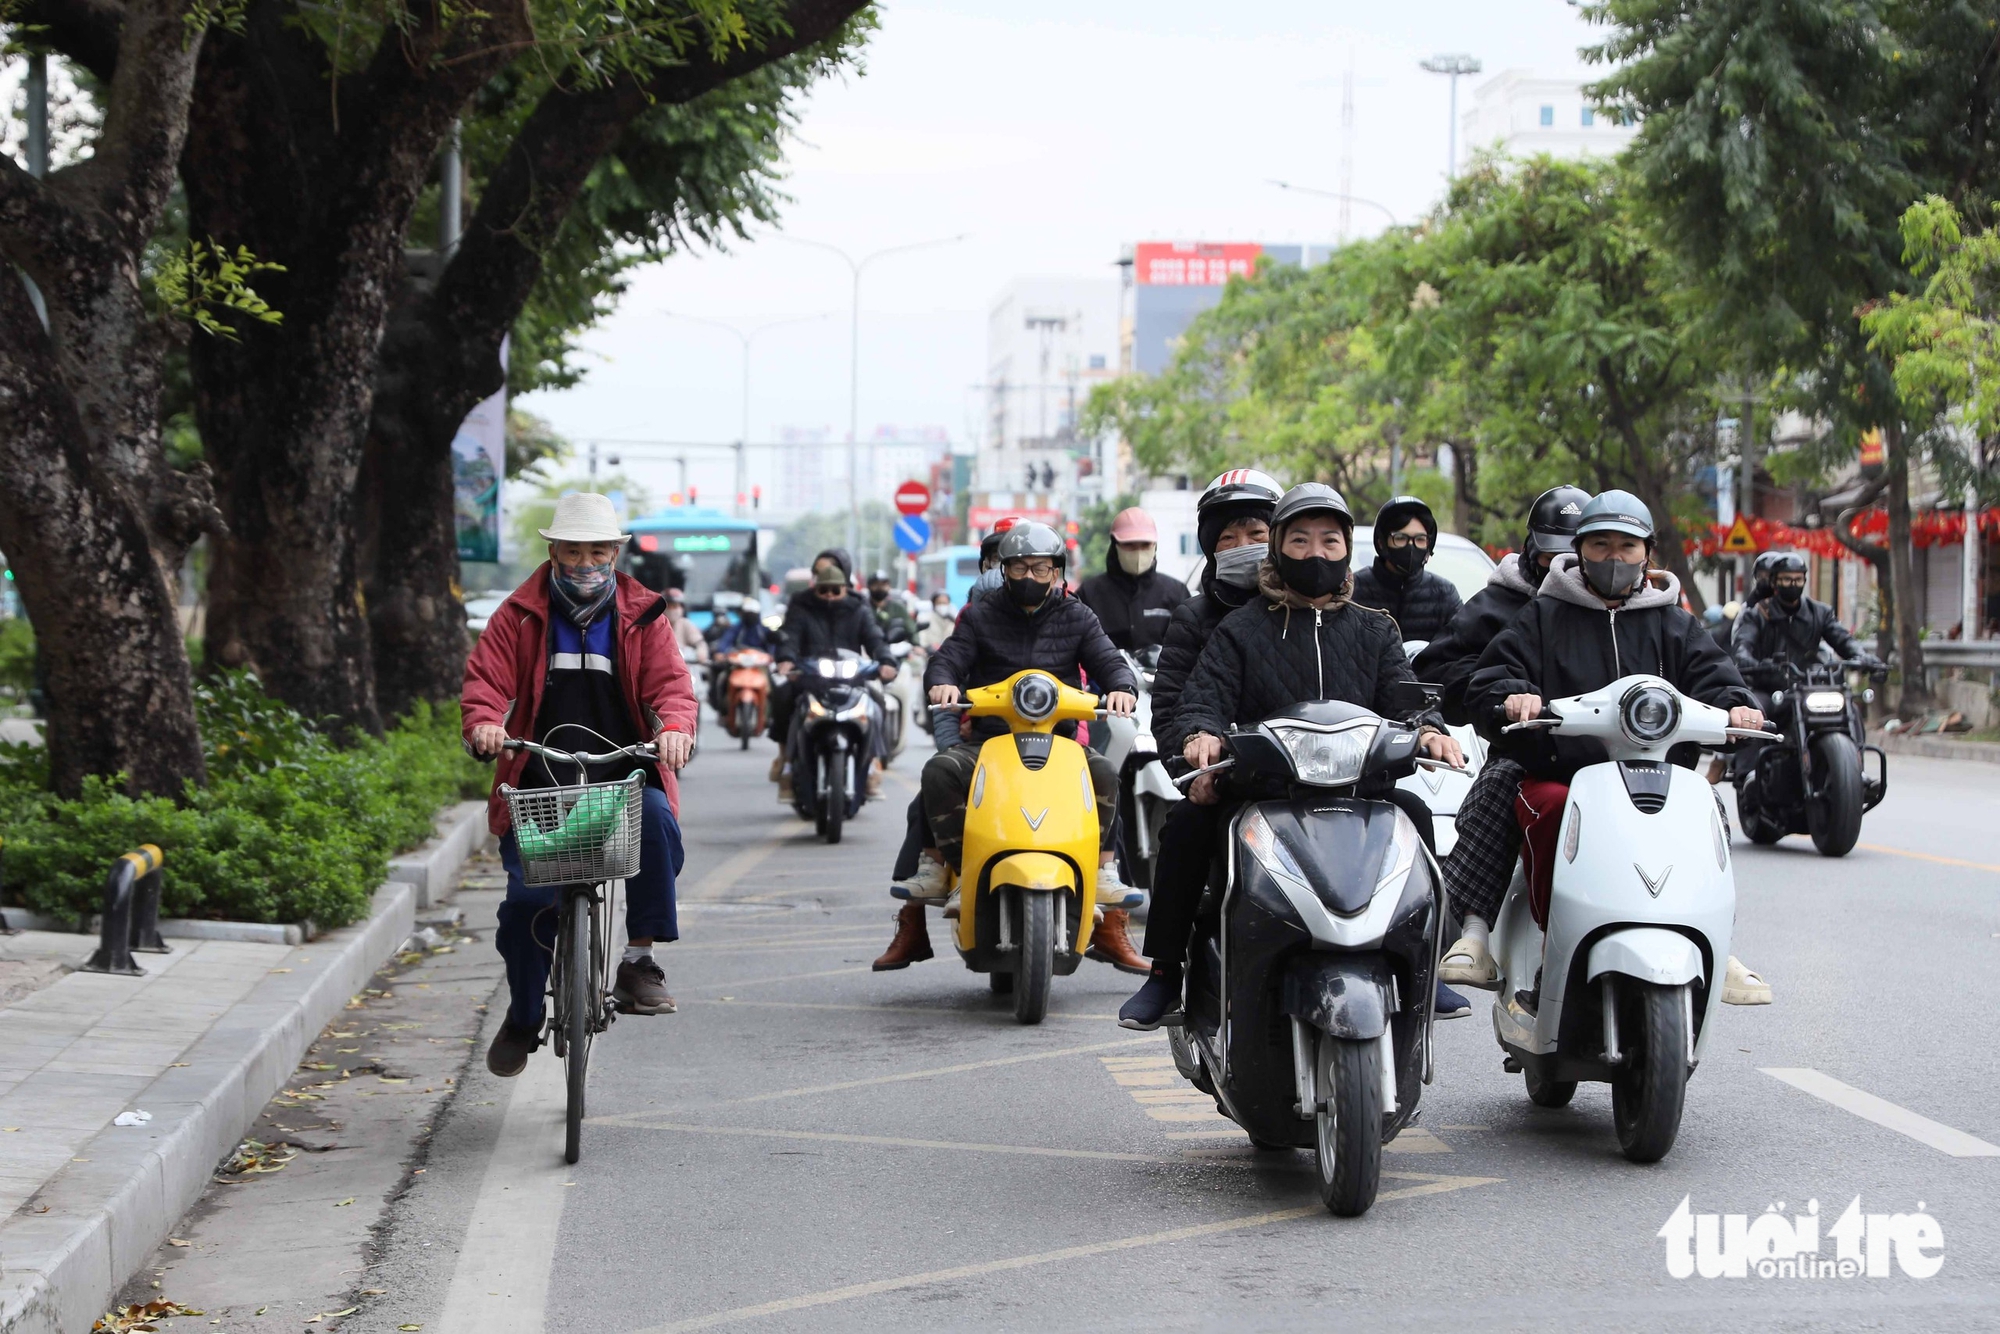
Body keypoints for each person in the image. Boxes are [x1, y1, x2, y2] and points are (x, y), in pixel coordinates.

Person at [1118, 483, 1465, 1030]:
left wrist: (1430, 731)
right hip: (1260, 792)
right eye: (1299, 540)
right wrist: (1198, 741)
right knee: (1186, 829)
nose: (1316, 554)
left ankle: (1429, 965)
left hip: (1359, 792)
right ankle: (1165, 972)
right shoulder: (1239, 628)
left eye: (1330, 540)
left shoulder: (1376, 629)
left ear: (1349, 549)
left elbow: (1405, 697)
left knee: (1418, 819)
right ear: (1279, 549)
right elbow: (1198, 702)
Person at [1442, 491, 1766, 1012]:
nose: (1614, 559)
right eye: (1600, 545)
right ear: (1580, 549)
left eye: (1627, 547)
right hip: (1563, 775)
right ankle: (1521, 941)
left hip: (1656, 775)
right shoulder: (1543, 614)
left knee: (1705, 808)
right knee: (1543, 808)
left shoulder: (1673, 622)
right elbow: (1491, 677)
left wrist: (1737, 708)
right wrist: (1514, 695)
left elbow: (1718, 677)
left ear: (1647, 554)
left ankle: (1716, 940)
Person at [461, 493, 697, 1077]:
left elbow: (672, 688)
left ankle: (639, 961)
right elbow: (485, 682)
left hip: (622, 778)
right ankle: (521, 1016)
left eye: (598, 550)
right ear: (554, 551)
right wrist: (485, 724)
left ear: (615, 553)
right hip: (538, 782)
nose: (586, 561)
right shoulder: (517, 613)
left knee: (657, 820)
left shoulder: (644, 614)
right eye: (573, 550)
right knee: (526, 908)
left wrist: (674, 730)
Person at [874, 522, 1147, 973]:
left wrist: (1121, 688)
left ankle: (1103, 872)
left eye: (1041, 569)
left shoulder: (1078, 616)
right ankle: (956, 869)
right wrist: (942, 682)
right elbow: (949, 657)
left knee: (1102, 771)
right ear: (1003, 569)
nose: (1030, 577)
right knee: (940, 771)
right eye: (1019, 567)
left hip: (1059, 745)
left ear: (1057, 572)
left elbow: (1109, 660)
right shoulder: (979, 616)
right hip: (988, 743)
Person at [1412, 485, 1589, 727]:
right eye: (1552, 558)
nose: (1561, 570)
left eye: (1573, 561)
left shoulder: (1631, 613)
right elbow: (1434, 674)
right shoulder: (1494, 606)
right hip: (1521, 747)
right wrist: (1501, 690)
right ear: (1530, 550)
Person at [1151, 470, 1284, 742]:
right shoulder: (1192, 618)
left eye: (1257, 534)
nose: (1242, 546)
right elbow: (1168, 714)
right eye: (1228, 538)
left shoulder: (1303, 609)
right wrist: (1196, 776)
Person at [1729, 551, 1881, 784]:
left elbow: (1843, 640)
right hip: (1770, 685)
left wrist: (1862, 657)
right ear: (1775, 582)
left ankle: (1856, 771)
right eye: (1787, 579)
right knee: (1756, 710)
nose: (1793, 584)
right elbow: (1742, 649)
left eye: (1798, 579)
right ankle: (1749, 775)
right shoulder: (1756, 613)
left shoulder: (1819, 612)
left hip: (1810, 685)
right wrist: (1756, 664)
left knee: (1849, 706)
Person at [770, 556, 896, 800]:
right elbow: (790, 636)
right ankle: (786, 761)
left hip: (851, 679)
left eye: (835, 590)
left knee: (877, 704)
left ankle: (872, 766)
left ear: (845, 589)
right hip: (810, 678)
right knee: (784, 696)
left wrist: (887, 662)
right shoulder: (801, 607)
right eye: (823, 590)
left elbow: (875, 639)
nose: (828, 595)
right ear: (815, 588)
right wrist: (786, 659)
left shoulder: (859, 609)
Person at [1350, 495, 1463, 642]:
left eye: (1420, 539)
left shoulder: (1444, 593)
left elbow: (1462, 646)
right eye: (1400, 538)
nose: (1410, 547)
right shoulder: (1355, 589)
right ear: (1382, 542)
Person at [1077, 507, 1189, 653]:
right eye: (1129, 545)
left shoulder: (1176, 592)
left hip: (1163, 674)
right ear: (1115, 545)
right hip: (1104, 675)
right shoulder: (1089, 594)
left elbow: (1188, 649)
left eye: (1145, 545)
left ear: (1155, 546)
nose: (1138, 552)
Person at [868, 569, 916, 644]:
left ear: (889, 586)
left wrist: (916, 644)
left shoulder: (898, 608)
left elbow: (910, 627)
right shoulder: (863, 608)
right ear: (870, 586)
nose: (880, 588)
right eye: (876, 585)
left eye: (883, 585)